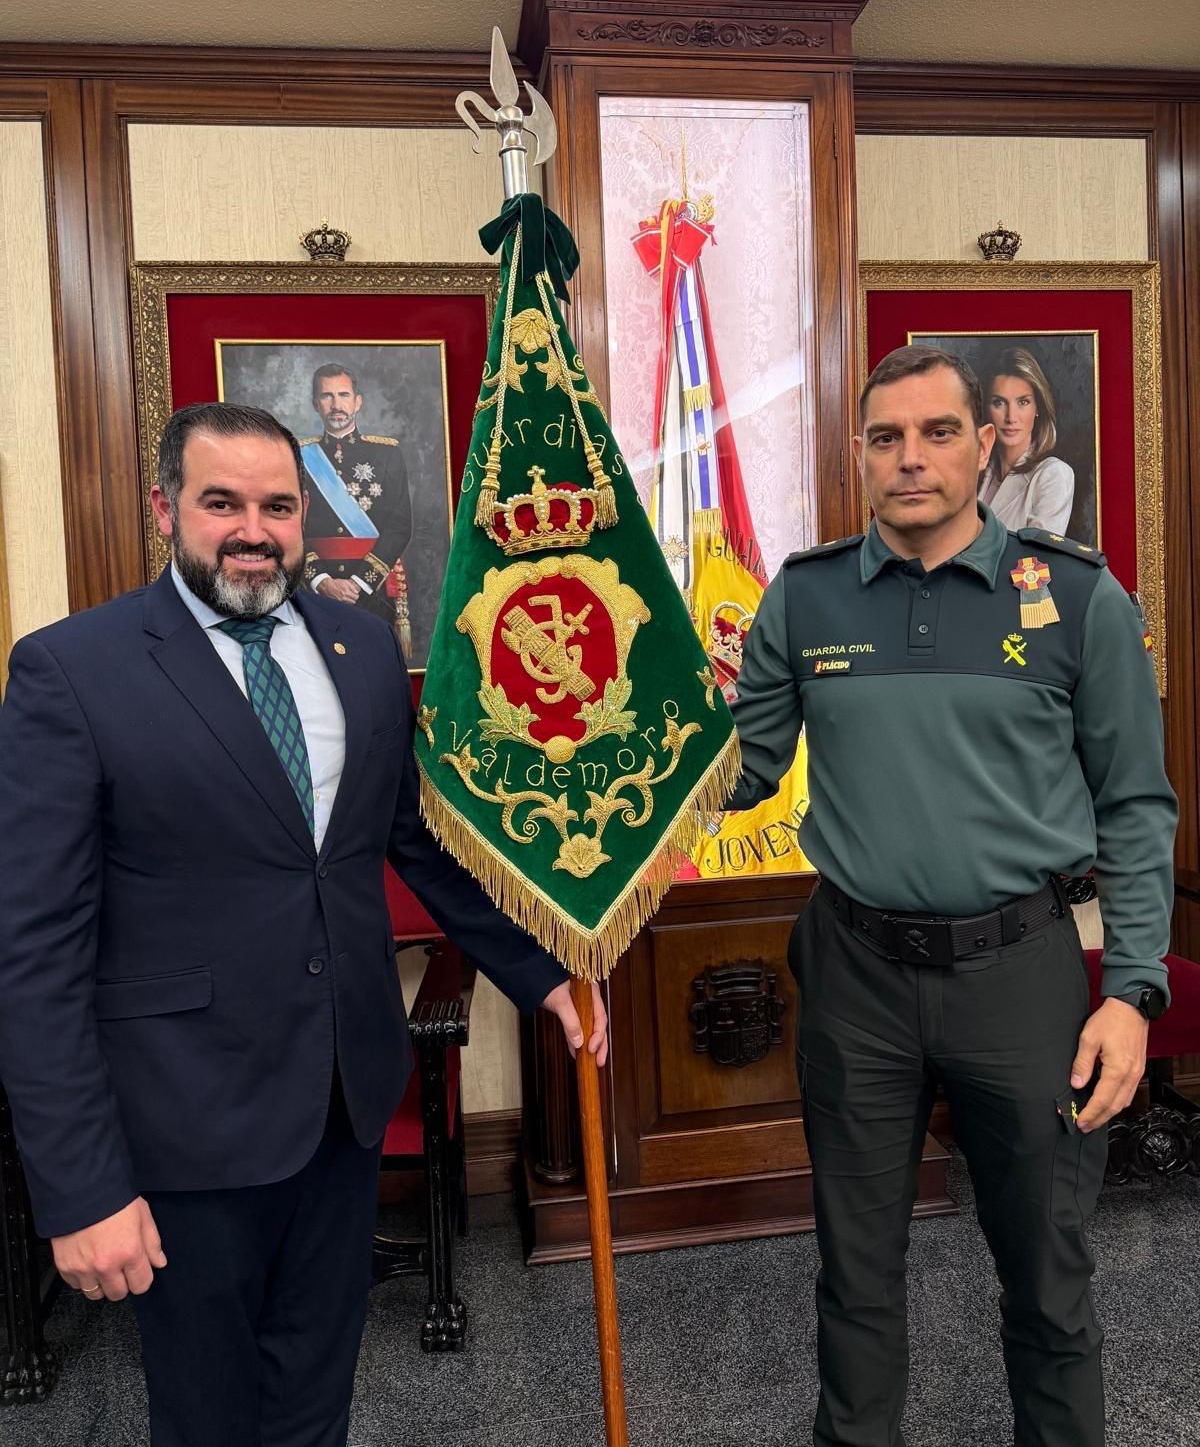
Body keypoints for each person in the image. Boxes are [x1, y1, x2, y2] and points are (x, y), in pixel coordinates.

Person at [0, 401, 606, 1447]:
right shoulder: (72, 671)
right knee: (207, 1418)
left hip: (343, 1098)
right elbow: (34, 949)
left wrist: (539, 971)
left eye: (278, 505)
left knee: (315, 1400)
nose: (254, 529)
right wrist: (79, 1187)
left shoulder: (361, 648)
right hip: (187, 1125)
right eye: (221, 501)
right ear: (165, 509)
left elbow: (408, 841)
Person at [727, 344, 1175, 1447]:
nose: (910, 458)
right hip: (856, 973)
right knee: (856, 1274)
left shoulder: (1077, 598)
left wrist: (1132, 990)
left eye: (937, 433)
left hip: (1020, 975)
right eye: (886, 437)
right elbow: (739, 770)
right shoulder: (807, 593)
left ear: (988, 442)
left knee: (1048, 1278)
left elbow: (1137, 806)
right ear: (861, 454)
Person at [301, 362, 417, 654]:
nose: (336, 404)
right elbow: (289, 526)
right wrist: (322, 581)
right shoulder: (298, 457)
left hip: (372, 589)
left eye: (343, 395)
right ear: (316, 404)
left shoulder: (387, 454)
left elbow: (399, 526)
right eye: (327, 396)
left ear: (357, 401)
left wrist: (358, 583)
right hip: (317, 589)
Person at [980, 345, 1076, 535]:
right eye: (999, 402)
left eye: (1023, 402)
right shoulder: (978, 472)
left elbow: (1039, 558)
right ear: (987, 409)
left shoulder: (1053, 475)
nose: (1011, 417)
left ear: (1037, 407)